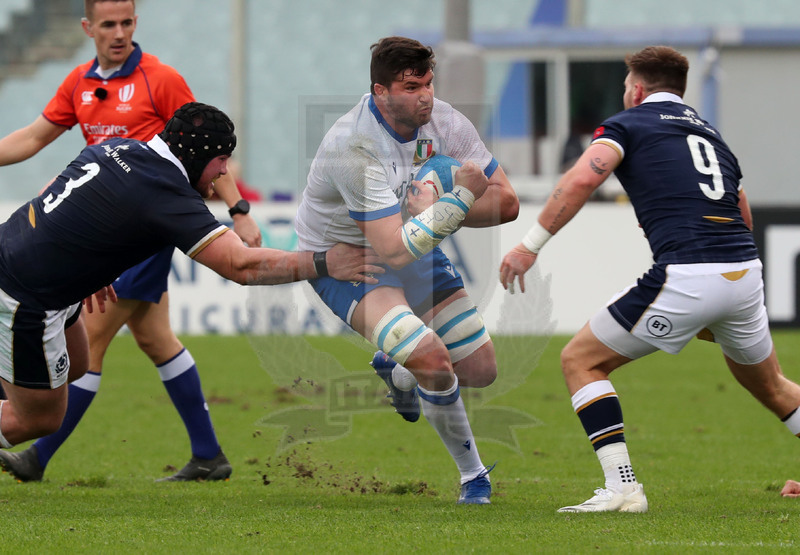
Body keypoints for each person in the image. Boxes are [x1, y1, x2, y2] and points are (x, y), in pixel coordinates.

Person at [499, 45, 800, 513]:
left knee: (581, 361)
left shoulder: (628, 124)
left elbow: (581, 180)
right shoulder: (712, 136)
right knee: (774, 387)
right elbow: (741, 213)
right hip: (743, 273)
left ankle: (622, 489)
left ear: (637, 89)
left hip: (689, 274)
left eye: (625, 87)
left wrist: (527, 245)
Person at [0, 101, 381, 459]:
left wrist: (86, 251)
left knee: (78, 365)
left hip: (22, 258)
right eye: (221, 161)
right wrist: (326, 261)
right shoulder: (166, 193)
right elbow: (241, 266)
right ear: (197, 156)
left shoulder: (118, 148)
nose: (223, 172)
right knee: (39, 419)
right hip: (26, 295)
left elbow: (52, 188)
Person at [0, 0, 263, 482]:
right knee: (155, 338)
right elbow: (34, 138)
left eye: (127, 22)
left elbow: (208, 150)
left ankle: (38, 453)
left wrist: (238, 209)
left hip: (146, 231)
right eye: (108, 24)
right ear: (88, 28)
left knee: (91, 341)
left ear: (136, 24)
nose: (118, 33)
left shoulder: (160, 79)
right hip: (103, 227)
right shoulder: (79, 82)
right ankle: (208, 454)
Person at [294, 36, 519, 504]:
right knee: (434, 360)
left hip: (412, 237)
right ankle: (473, 477)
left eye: (429, 83)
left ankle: (397, 371)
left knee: (480, 369)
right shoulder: (352, 146)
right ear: (380, 92)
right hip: (349, 260)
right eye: (412, 86)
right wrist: (458, 198)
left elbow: (508, 203)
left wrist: (448, 203)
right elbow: (391, 253)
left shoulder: (445, 121)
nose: (426, 96)